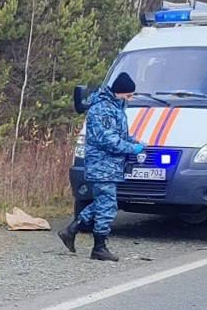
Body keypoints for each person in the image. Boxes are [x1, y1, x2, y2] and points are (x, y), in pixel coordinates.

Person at [59, 71, 145, 262]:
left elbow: (120, 134)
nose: (130, 99)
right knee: (107, 205)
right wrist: (132, 148)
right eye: (128, 95)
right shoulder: (102, 109)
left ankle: (71, 230)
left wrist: (136, 142)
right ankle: (99, 247)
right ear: (119, 92)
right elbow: (108, 140)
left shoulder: (116, 106)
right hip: (102, 163)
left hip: (111, 165)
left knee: (104, 203)